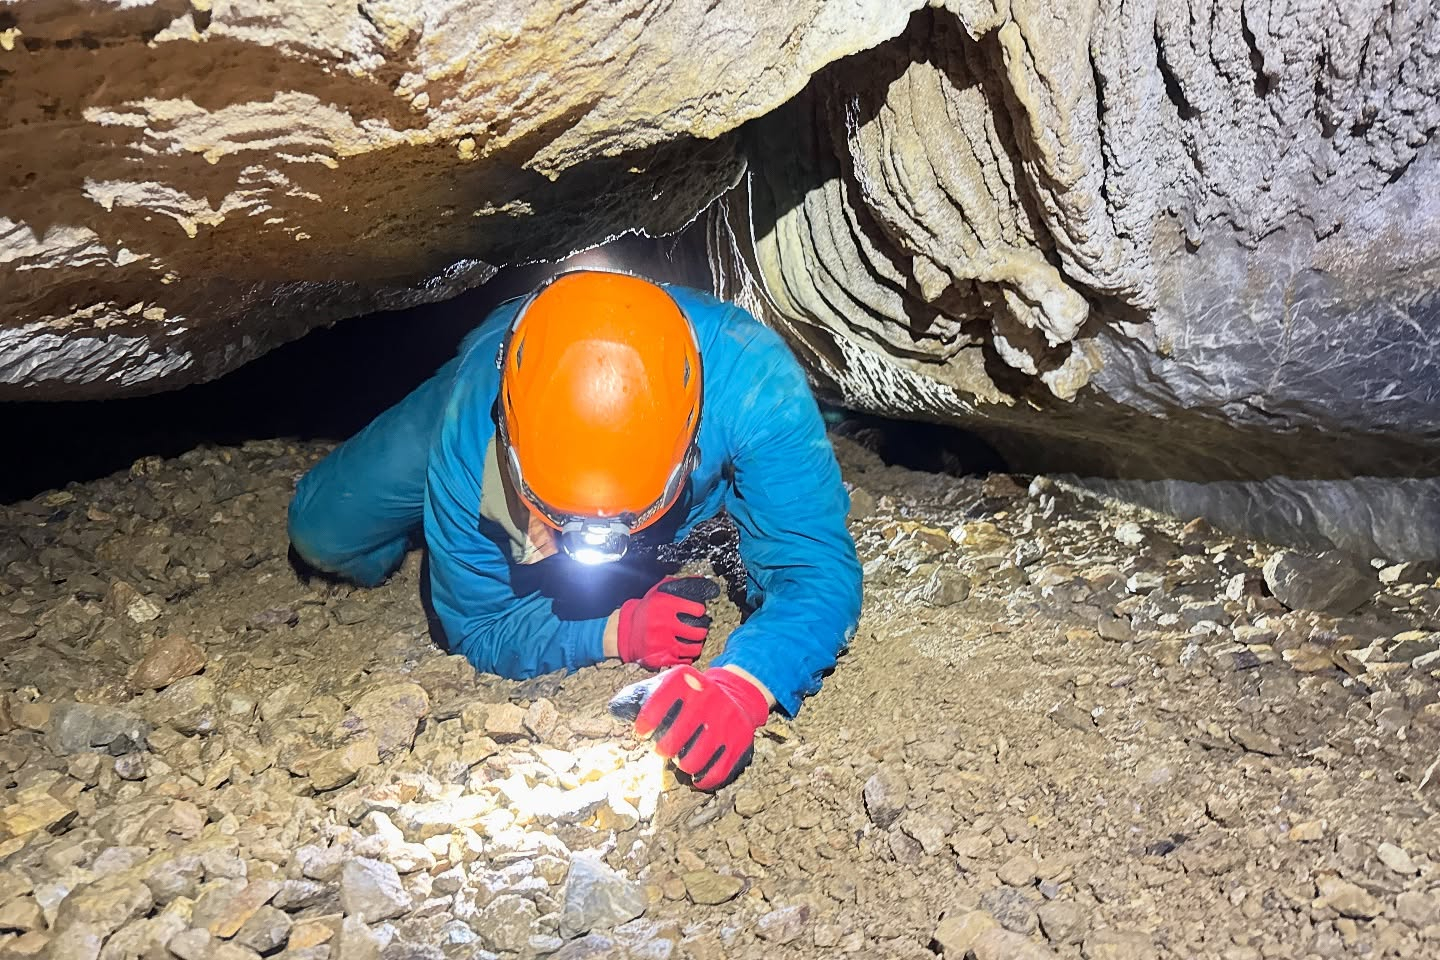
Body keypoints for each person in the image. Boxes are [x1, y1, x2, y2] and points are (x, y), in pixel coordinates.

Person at [287, 269, 861, 789]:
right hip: (498, 370)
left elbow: (814, 570)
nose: (597, 542)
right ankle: (445, 526)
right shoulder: (473, 435)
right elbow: (480, 625)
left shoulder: (756, 384)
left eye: (622, 523)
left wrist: (744, 683)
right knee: (322, 532)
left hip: (697, 405)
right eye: (565, 520)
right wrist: (616, 630)